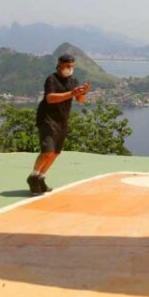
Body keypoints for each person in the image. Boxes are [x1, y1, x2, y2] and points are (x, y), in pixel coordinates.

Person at [27, 54, 90, 195]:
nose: (70, 68)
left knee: (55, 153)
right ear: (59, 64)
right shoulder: (52, 79)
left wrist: (83, 92)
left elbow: (80, 100)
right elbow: (50, 98)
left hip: (62, 120)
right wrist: (71, 93)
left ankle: (41, 178)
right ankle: (33, 177)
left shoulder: (73, 80)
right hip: (47, 119)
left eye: (72, 66)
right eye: (68, 65)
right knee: (47, 150)